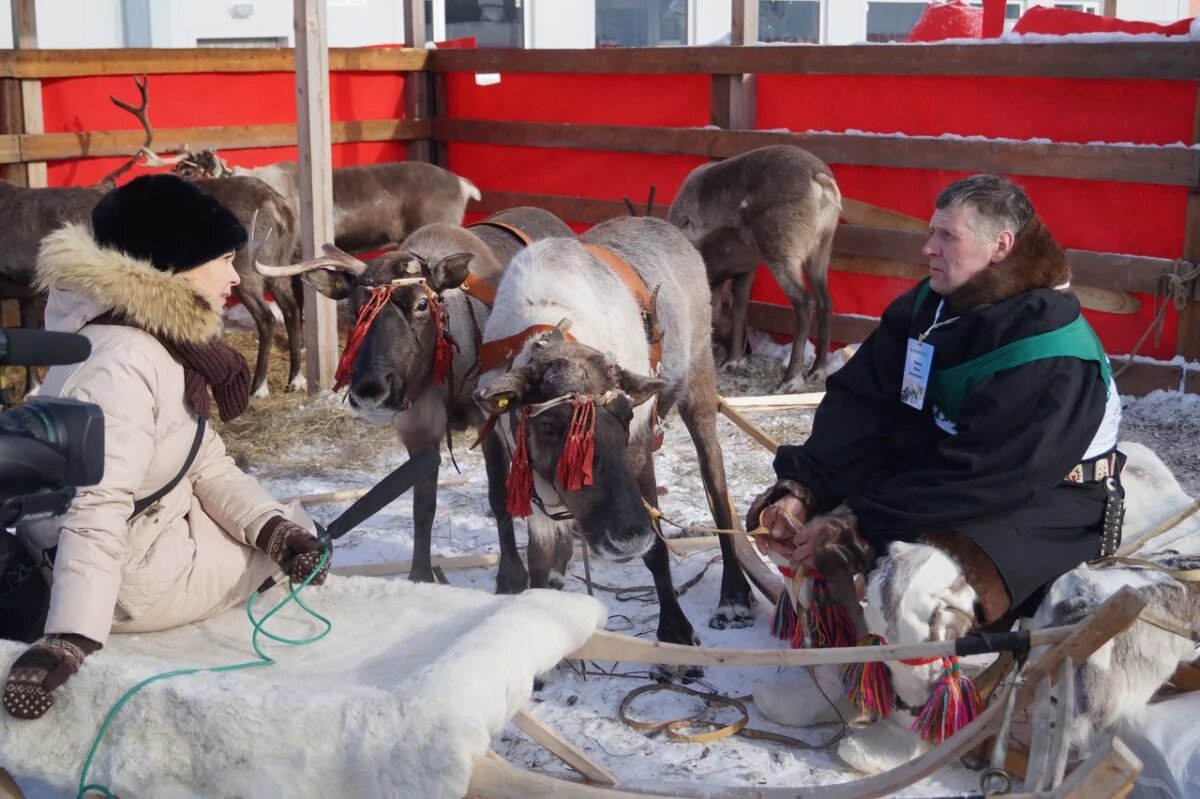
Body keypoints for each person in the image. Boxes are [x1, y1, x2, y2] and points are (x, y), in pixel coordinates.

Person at [2, 174, 329, 721]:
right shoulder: (123, 364)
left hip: (137, 537)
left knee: (282, 531)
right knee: (296, 548)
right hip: (132, 580)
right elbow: (94, 506)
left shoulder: (149, 340)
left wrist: (273, 527)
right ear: (170, 264)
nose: (234, 275)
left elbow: (201, 459)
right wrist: (70, 637)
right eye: (223, 259)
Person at [748, 173, 1122, 641]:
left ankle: (911, 700)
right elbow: (863, 401)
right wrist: (808, 485)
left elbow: (994, 472)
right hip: (947, 471)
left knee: (913, 593)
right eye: (931, 232)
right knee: (789, 521)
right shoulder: (933, 306)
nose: (928, 248)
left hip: (1045, 500)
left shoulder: (1052, 351)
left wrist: (859, 521)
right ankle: (835, 655)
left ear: (1000, 246)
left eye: (947, 236)